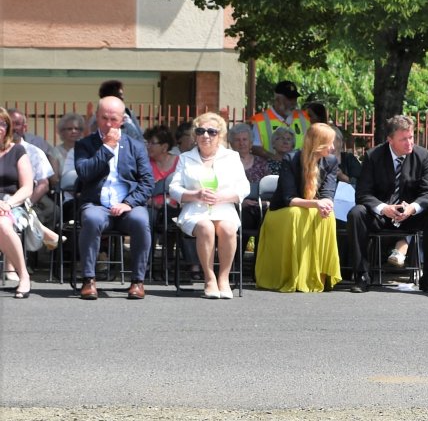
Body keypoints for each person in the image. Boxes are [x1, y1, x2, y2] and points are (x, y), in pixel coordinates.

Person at [346, 115, 428, 293]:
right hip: (381, 215)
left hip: (411, 215)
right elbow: (362, 193)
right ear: (390, 140)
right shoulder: (373, 156)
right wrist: (384, 208)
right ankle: (362, 274)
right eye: (403, 139)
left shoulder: (423, 155)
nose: (409, 143)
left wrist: (412, 208)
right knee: (356, 213)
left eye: (411, 137)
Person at [69, 96, 156, 299]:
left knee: (141, 220)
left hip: (128, 205)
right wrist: (107, 147)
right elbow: (85, 173)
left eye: (114, 119)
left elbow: (147, 181)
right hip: (97, 203)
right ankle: (89, 280)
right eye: (104, 118)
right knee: (91, 219)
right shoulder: (84, 145)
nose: (108, 124)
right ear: (96, 117)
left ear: (123, 120)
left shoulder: (135, 146)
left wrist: (128, 203)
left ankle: (137, 281)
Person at [167, 114, 247, 297]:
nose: (206, 135)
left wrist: (223, 197)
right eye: (201, 131)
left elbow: (244, 187)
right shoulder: (185, 158)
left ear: (220, 135)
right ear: (195, 135)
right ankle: (209, 278)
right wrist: (195, 195)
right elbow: (174, 188)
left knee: (227, 228)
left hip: (224, 208)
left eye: (212, 131)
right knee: (205, 227)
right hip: (195, 210)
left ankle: (224, 279)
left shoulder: (231, 157)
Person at [258, 123, 343, 292]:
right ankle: (292, 275)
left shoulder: (331, 161)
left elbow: (328, 191)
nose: (333, 148)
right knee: (296, 213)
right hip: (283, 210)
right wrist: (316, 204)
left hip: (312, 208)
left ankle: (319, 276)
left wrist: (326, 204)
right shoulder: (291, 159)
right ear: (317, 143)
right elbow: (289, 199)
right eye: (329, 143)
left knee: (327, 216)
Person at [0, 123, 56, 296]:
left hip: (13, 203)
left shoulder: (18, 151)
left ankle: (23, 274)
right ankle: (44, 232)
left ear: (7, 128)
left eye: (2, 123)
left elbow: (27, 188)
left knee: (2, 224)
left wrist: (7, 204)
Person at [253, 81, 308, 152]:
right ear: (278, 99)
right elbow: (255, 147)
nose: (293, 102)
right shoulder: (260, 120)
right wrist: (274, 158)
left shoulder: (304, 117)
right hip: (272, 163)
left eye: (295, 99)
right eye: (289, 99)